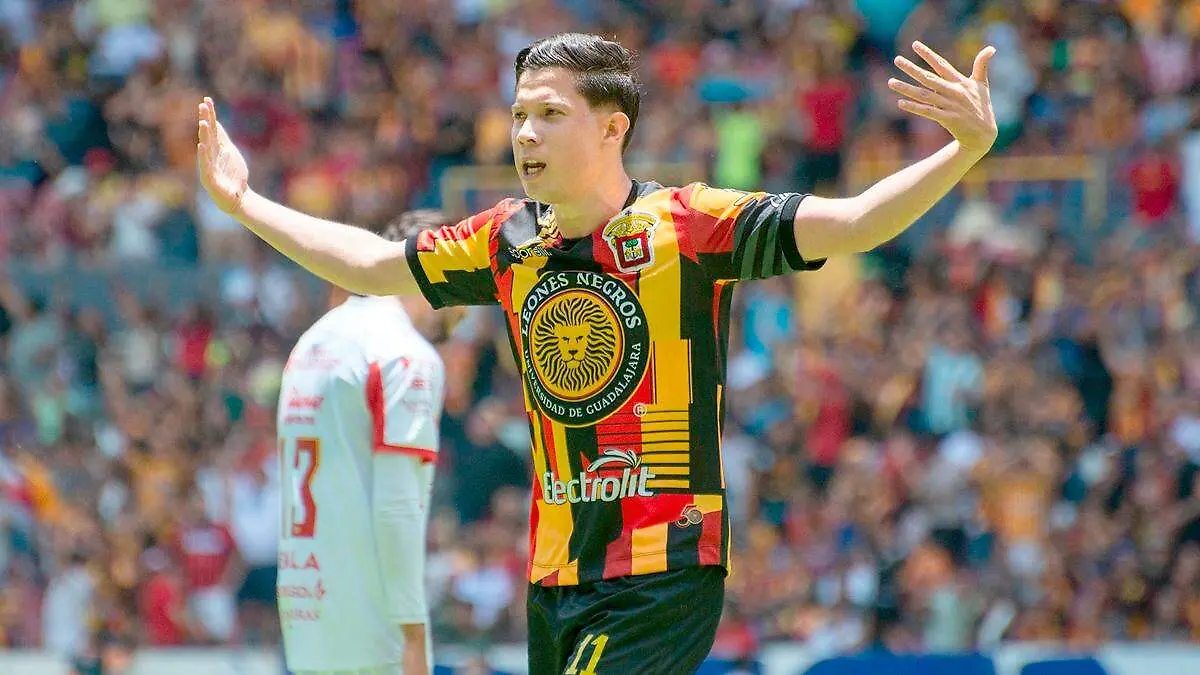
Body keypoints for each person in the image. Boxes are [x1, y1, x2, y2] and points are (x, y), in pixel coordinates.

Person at [198, 32, 998, 674]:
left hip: (662, 570)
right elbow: (373, 265)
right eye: (519, 115)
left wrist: (962, 150)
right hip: (555, 575)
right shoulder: (507, 237)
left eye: (549, 113)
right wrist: (244, 202)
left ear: (613, 127)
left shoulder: (690, 225)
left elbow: (855, 221)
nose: (525, 133)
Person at [274, 210, 453, 674]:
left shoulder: (313, 341)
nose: (468, 306)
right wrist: (413, 628)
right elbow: (397, 506)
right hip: (372, 623)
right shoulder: (404, 353)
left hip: (305, 606)